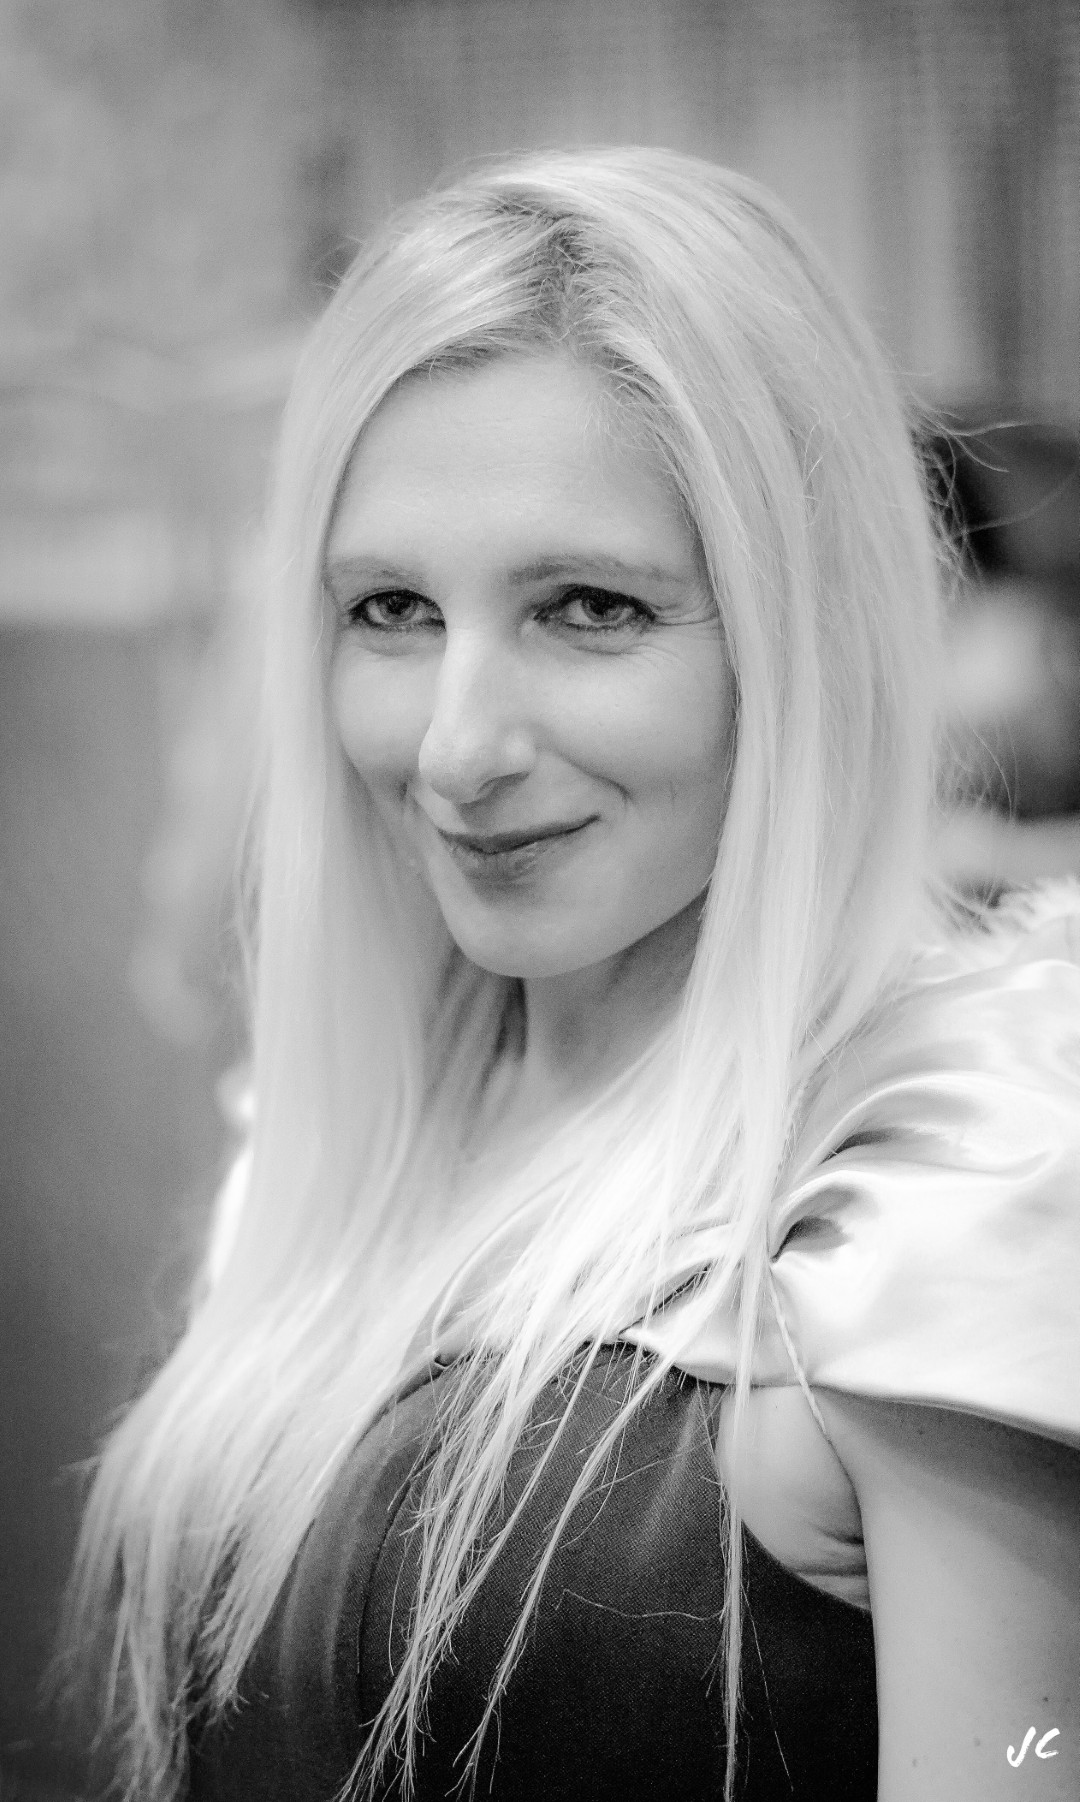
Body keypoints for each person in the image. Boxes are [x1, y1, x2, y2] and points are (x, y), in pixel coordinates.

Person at [62, 148, 1080, 1802]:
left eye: (589, 607)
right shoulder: (341, 1147)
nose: (456, 748)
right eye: (392, 608)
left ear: (797, 632)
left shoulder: (946, 1182)